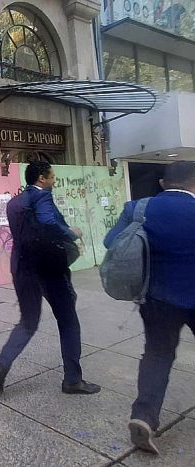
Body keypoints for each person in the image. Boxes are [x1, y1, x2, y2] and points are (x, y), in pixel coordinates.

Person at [104, 161, 195, 454]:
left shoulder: (137, 209)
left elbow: (111, 242)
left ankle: (143, 416)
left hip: (155, 299)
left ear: (162, 184)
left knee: (157, 355)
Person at [0, 161, 101, 395]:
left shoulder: (13, 203)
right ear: (41, 178)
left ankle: (1, 367)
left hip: (22, 269)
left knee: (28, 321)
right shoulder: (42, 197)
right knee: (68, 321)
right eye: (51, 176)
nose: (53, 180)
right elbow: (49, 222)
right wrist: (72, 233)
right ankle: (72, 380)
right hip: (49, 269)